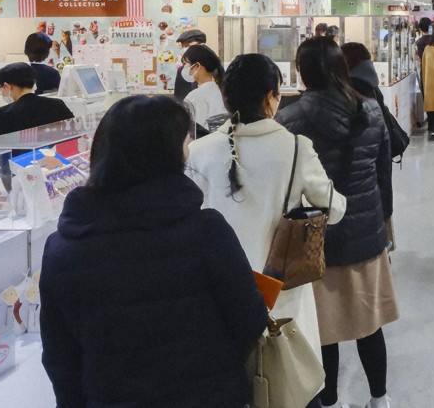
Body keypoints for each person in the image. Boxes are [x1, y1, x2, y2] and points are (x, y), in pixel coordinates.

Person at [40, 95, 268, 407]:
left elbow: (60, 358)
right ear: (168, 154)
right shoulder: (207, 231)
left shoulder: (62, 250)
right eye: (185, 141)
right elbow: (250, 322)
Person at [186, 54, 344, 407]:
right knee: (288, 384)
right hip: (281, 294)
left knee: (233, 384)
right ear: (272, 97)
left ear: (226, 97)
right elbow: (333, 208)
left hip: (219, 294)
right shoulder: (295, 148)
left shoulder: (199, 151)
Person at [277, 37, 398, 408]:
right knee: (369, 324)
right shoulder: (371, 110)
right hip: (365, 235)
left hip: (313, 239)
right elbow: (383, 175)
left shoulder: (288, 118)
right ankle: (379, 399)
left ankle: (329, 401)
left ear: (301, 71)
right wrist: (385, 223)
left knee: (322, 329)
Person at [0, 63, 73, 143]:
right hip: (54, 164)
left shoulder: (1, 115)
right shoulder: (58, 105)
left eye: (0, 88)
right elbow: (74, 133)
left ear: (6, 86)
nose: (1, 92)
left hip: (14, 168)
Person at [180, 44, 227, 132]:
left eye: (186, 63)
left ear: (197, 66)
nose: (184, 67)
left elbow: (189, 130)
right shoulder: (220, 89)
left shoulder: (195, 96)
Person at [173, 29, 207, 101]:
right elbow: (179, 97)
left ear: (202, 45)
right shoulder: (182, 70)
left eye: (188, 45)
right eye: (184, 46)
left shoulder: (212, 66)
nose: (186, 49)